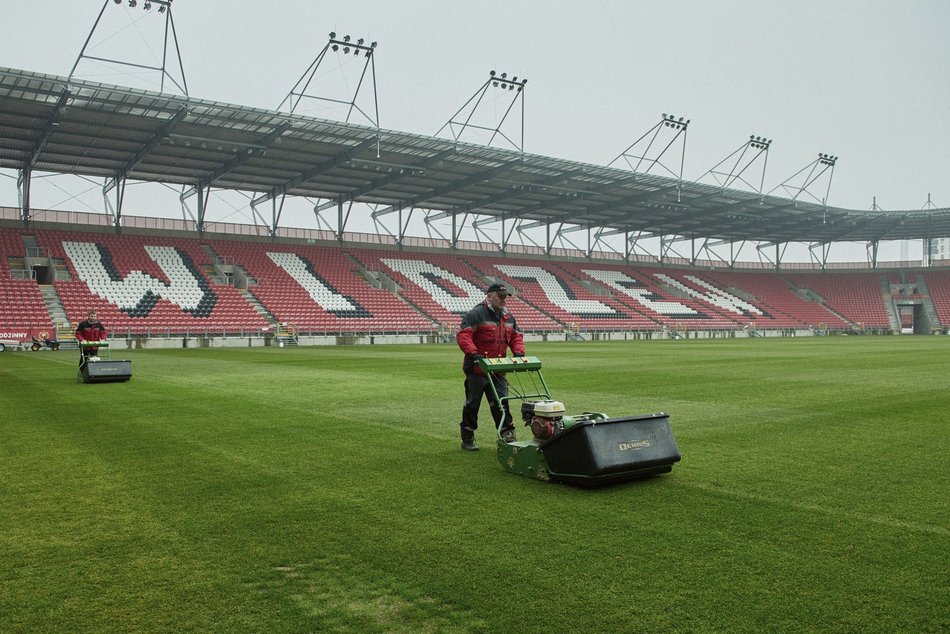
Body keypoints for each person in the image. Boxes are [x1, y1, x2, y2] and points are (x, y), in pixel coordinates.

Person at [456, 282, 525, 451]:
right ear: (489, 296)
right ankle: (468, 435)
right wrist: (474, 354)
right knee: (473, 404)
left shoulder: (509, 317)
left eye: (505, 297)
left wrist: (518, 352)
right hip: (477, 369)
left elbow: (516, 336)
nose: (503, 300)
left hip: (498, 370)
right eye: (500, 296)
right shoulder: (476, 314)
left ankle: (507, 434)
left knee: (502, 403)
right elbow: (464, 336)